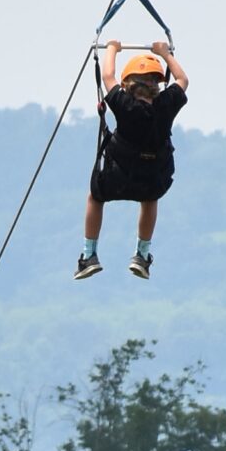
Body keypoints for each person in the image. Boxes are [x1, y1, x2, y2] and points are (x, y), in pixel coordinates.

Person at [77, 39, 188, 280]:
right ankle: (141, 254)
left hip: (118, 176)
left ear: (127, 86)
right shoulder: (166, 105)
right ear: (156, 86)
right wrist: (165, 54)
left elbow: (108, 75)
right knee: (150, 199)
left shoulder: (124, 104)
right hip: (152, 179)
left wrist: (112, 49)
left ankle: (88, 255)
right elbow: (182, 80)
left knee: (95, 197)